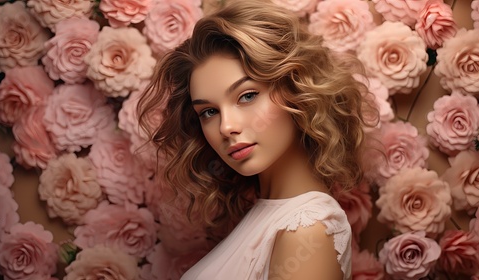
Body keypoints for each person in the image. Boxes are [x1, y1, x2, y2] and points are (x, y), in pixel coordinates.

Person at [138, 0, 377, 279]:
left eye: (247, 96)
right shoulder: (268, 216)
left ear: (296, 89)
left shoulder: (306, 231)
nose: (226, 127)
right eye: (209, 112)